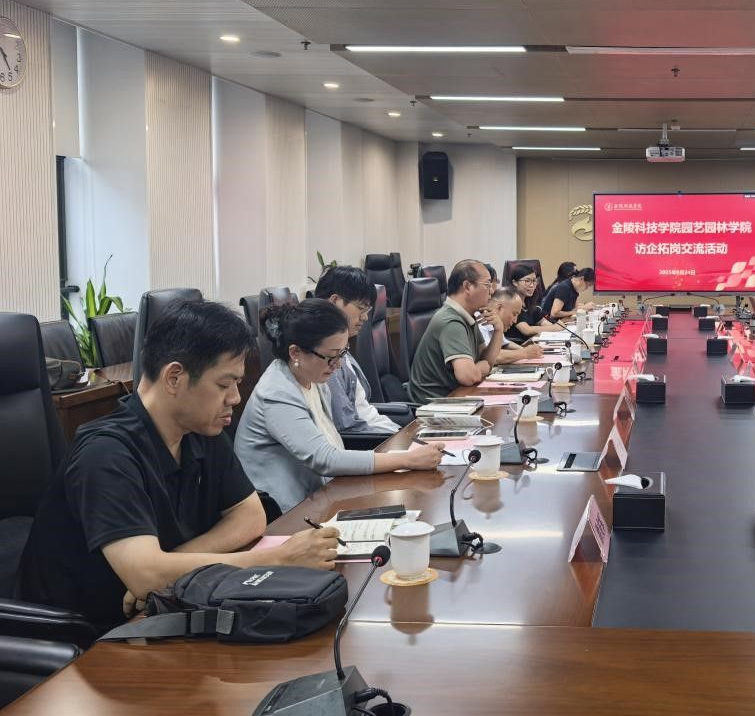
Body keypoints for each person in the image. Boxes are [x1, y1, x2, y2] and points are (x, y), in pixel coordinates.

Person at [16, 299, 343, 635]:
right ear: (174, 377)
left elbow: (249, 516)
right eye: (224, 384)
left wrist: (169, 569)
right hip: (86, 638)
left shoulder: (200, 429)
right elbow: (144, 575)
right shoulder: (105, 454)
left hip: (159, 614)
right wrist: (274, 559)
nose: (235, 398)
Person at [235, 299, 443, 514]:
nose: (338, 364)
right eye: (331, 356)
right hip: (286, 513)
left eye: (343, 353)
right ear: (295, 352)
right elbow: (324, 459)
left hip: (322, 494)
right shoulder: (277, 393)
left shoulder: (313, 377)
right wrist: (408, 459)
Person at [313, 265, 399, 436]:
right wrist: (399, 442)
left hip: (380, 432)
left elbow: (363, 410)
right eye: (361, 308)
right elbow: (347, 426)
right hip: (369, 441)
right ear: (335, 301)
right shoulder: (323, 355)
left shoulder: (341, 344)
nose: (365, 317)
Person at [408, 258, 504, 401]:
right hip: (436, 405)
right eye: (487, 285)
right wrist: (480, 368)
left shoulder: (467, 316)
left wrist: (498, 330)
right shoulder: (451, 321)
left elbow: (487, 362)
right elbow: (468, 376)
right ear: (467, 286)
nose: (492, 291)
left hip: (457, 397)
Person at [483, 288, 546, 364]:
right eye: (514, 314)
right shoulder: (481, 323)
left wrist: (532, 351)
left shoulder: (494, 322)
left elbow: (506, 343)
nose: (515, 321)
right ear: (499, 308)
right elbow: (492, 357)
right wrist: (525, 353)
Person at [506, 263, 560, 343]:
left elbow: (544, 323)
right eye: (527, 281)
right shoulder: (511, 303)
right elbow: (527, 330)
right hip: (517, 346)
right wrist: (555, 327)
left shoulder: (530, 303)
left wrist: (555, 326)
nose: (532, 285)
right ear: (515, 282)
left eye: (534, 281)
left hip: (531, 344)